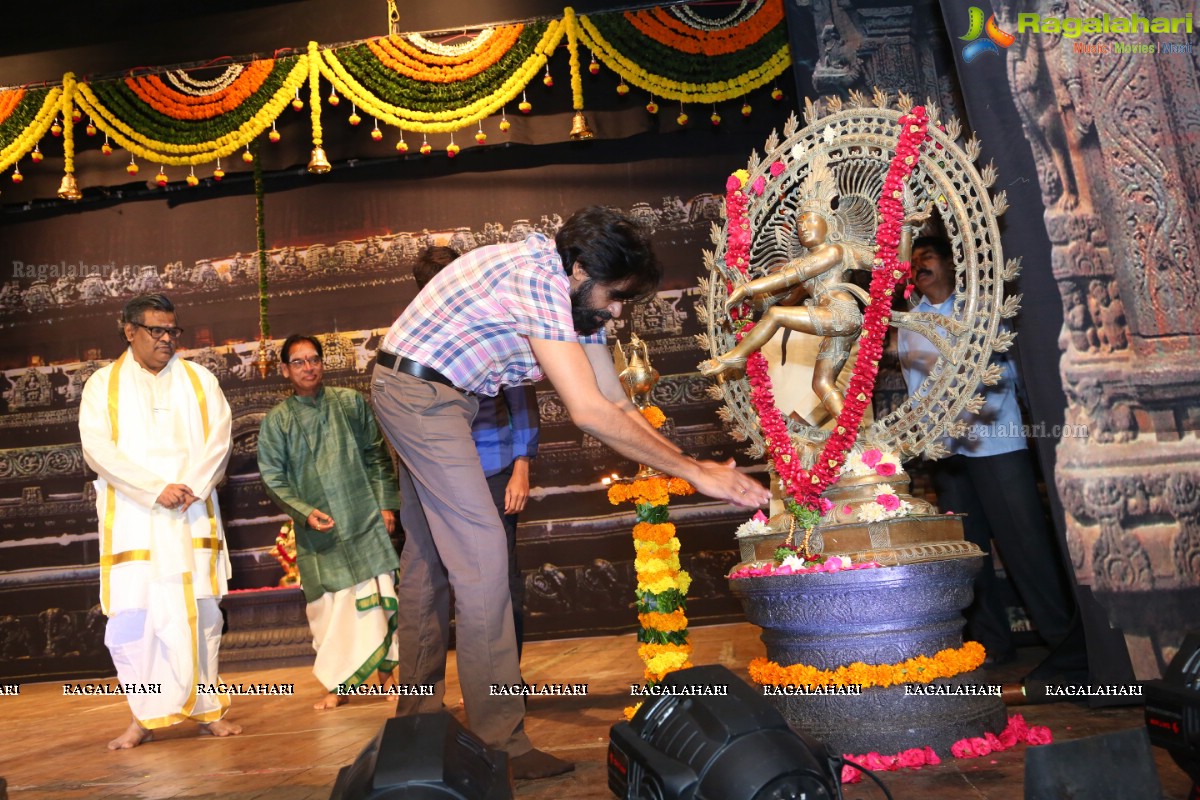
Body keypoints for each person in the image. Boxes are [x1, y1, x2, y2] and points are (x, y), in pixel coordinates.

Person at [372, 206, 769, 780]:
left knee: (428, 560)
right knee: (482, 557)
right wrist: (696, 471)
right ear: (580, 269)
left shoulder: (576, 300)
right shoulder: (539, 280)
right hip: (419, 394)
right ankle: (498, 742)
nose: (616, 311)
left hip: (434, 394)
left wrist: (687, 462)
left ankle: (415, 724)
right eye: (613, 295)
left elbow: (616, 402)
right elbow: (586, 412)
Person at [897, 236, 1077, 667]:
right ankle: (991, 645)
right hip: (949, 454)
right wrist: (927, 440)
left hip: (998, 441)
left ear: (949, 265)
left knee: (1027, 545)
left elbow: (1011, 372)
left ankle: (1064, 641)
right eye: (913, 262)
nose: (919, 266)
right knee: (969, 554)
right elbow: (915, 391)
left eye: (927, 258)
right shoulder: (909, 323)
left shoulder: (982, 309)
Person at [78, 293, 240, 749]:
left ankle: (208, 710)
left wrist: (187, 486)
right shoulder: (102, 385)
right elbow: (98, 450)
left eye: (173, 330)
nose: (167, 339)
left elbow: (219, 441)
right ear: (129, 331)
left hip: (190, 513)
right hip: (135, 519)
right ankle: (143, 716)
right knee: (134, 621)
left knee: (202, 616)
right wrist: (154, 489)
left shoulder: (200, 380)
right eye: (157, 331)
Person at [256, 334, 402, 710]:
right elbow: (273, 477)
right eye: (299, 362)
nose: (309, 367)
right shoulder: (278, 422)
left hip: (364, 518)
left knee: (379, 600)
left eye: (314, 359)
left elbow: (376, 455)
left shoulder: (350, 403)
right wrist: (304, 512)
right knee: (332, 610)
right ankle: (340, 685)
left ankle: (390, 679)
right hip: (319, 533)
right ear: (286, 369)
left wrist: (386, 506)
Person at [414, 246, 538, 661]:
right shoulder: (413, 336)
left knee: (500, 574)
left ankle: (505, 680)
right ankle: (467, 680)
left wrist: (521, 468)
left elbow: (521, 400)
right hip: (436, 475)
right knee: (440, 579)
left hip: (494, 469)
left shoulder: (496, 325)